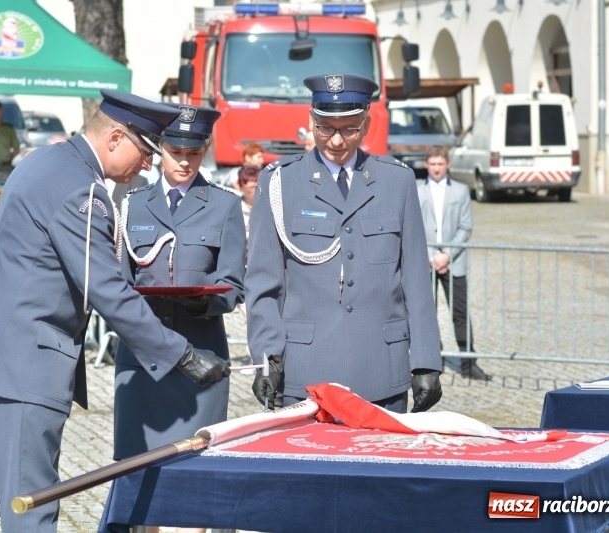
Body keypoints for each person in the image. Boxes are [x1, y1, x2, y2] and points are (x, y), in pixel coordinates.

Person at [0, 90, 231, 533]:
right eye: (147, 150)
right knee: (31, 506)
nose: (149, 165)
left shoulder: (44, 161)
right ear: (116, 137)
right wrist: (183, 355)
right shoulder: (83, 190)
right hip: (26, 365)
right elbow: (108, 291)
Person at [245, 74, 443, 413]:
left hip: (381, 372)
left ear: (366, 124)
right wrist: (268, 357)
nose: (336, 140)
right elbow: (264, 283)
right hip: (305, 373)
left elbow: (416, 282)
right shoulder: (280, 183)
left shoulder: (397, 181)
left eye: (349, 128)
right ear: (311, 121)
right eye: (325, 128)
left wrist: (426, 360)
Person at [100, 104, 245, 533]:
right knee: (139, 473)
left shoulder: (223, 206)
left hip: (201, 356)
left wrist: (211, 303)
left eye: (194, 153)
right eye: (176, 150)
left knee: (197, 472)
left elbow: (235, 284)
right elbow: (118, 283)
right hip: (143, 360)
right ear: (160, 148)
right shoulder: (131, 202)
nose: (184, 160)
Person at [417, 145, 490, 381]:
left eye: (440, 164)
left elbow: (465, 227)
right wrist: (431, 256)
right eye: (432, 164)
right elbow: (413, 227)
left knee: (460, 312)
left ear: (447, 164)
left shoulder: (460, 191)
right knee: (426, 313)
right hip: (426, 261)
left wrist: (446, 255)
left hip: (454, 260)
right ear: (426, 165)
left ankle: (469, 363)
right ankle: (432, 361)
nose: (436, 169)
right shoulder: (416, 191)